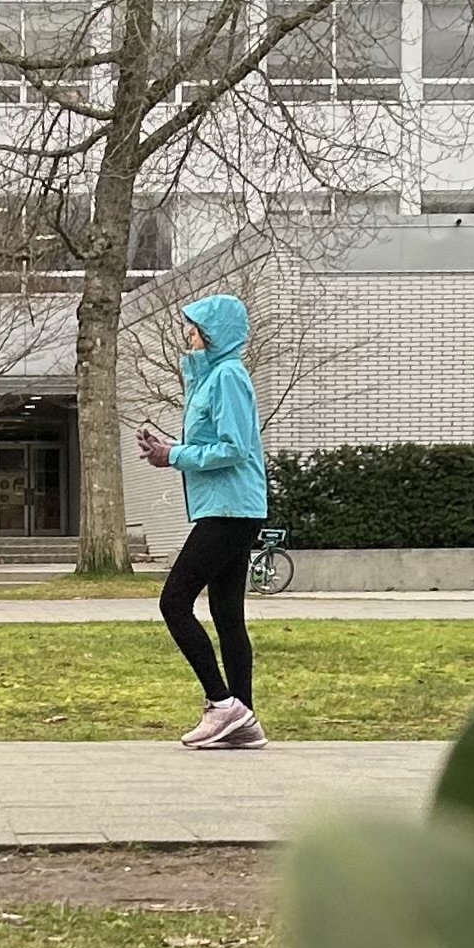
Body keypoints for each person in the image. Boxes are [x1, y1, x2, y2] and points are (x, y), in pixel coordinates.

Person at [138, 291, 269, 748]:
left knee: (174, 601)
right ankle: (244, 723)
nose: (187, 333)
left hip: (230, 508)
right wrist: (169, 450)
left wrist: (172, 453)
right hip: (232, 507)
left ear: (213, 333)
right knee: (227, 615)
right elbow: (215, 442)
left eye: (194, 326)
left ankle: (222, 704)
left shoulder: (229, 376)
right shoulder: (212, 377)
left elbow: (234, 449)